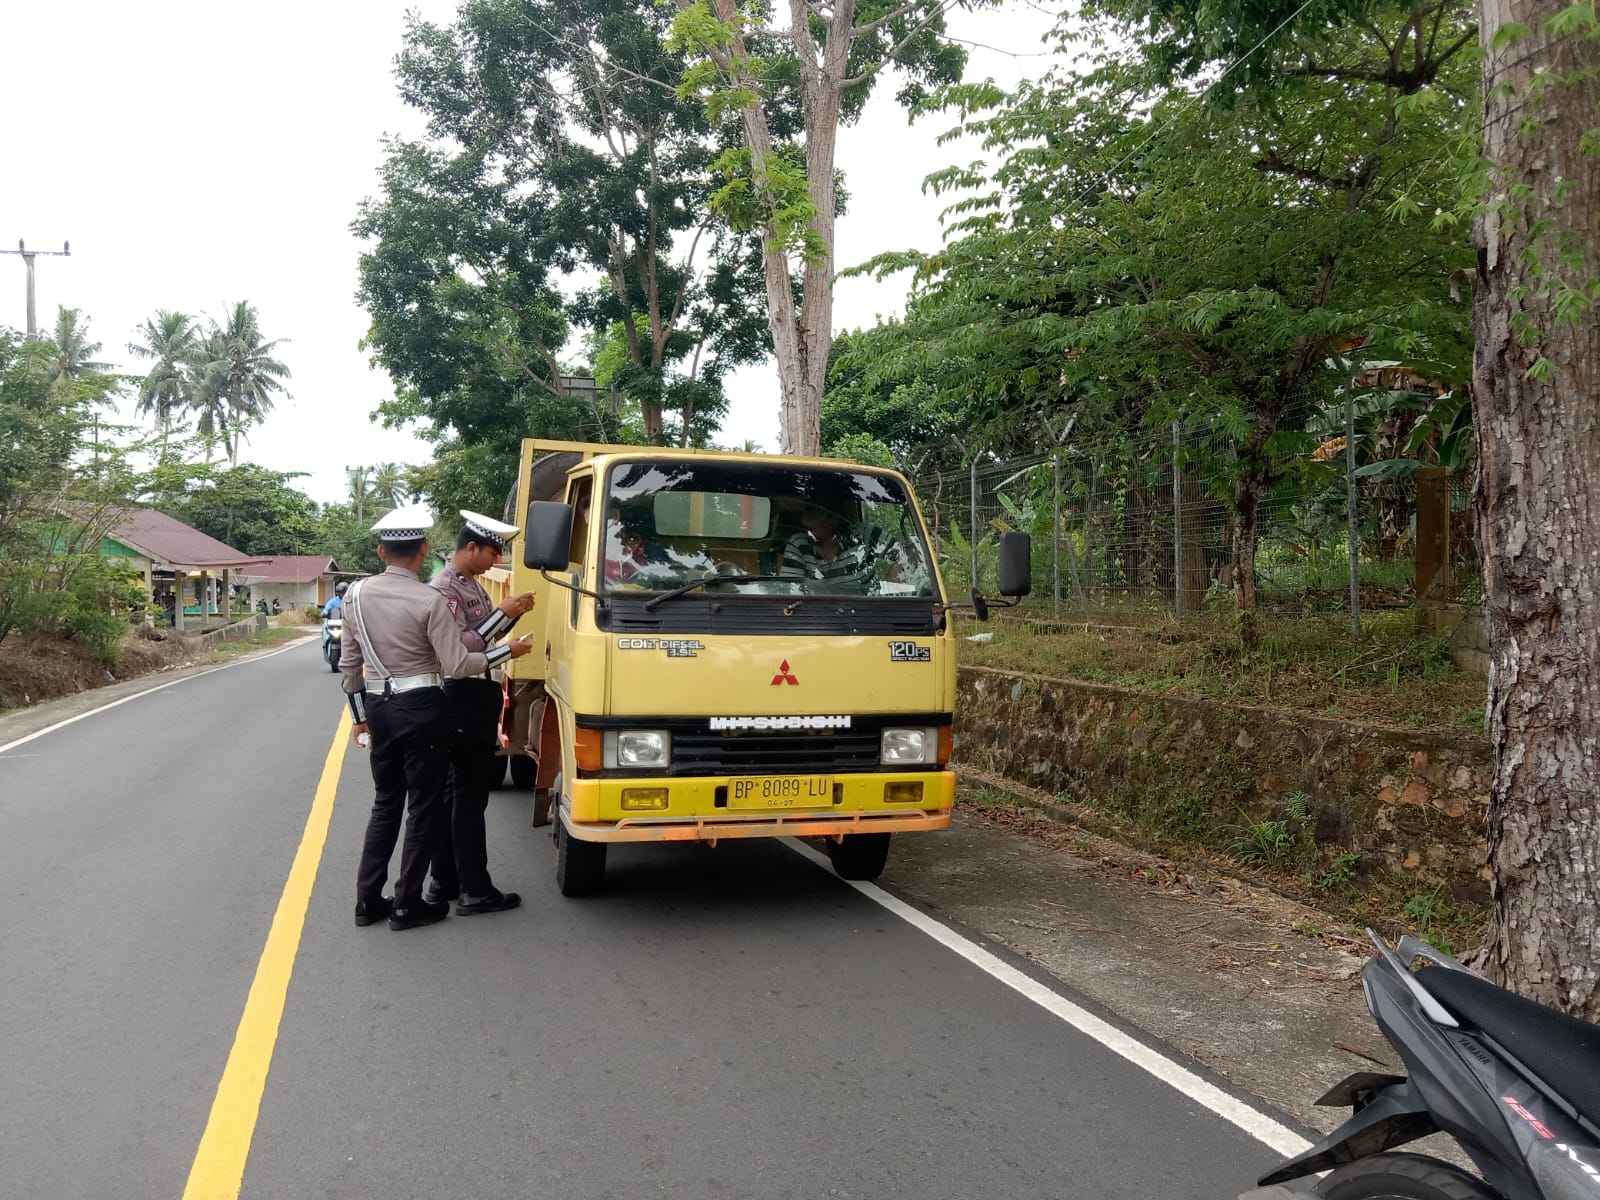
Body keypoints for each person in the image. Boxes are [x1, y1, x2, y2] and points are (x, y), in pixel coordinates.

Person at [341, 504, 535, 931]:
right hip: (423, 709)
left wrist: (359, 719)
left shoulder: (354, 595)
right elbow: (458, 663)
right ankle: (407, 903)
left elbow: (349, 666)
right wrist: (507, 649)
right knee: (424, 809)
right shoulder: (431, 598)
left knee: (385, 804)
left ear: (380, 551)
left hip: (378, 707)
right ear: (424, 549)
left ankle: (367, 900)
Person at [423, 510, 537, 915]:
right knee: (467, 796)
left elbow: (484, 632)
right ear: (471, 547)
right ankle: (474, 888)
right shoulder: (445, 590)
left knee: (458, 794)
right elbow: (462, 647)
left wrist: (512, 613)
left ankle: (445, 881)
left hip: (475, 694)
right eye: (492, 552)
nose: (495, 560)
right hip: (464, 694)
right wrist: (504, 615)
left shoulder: (469, 584)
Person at [779, 504, 897, 592]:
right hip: (816, 617)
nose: (804, 520)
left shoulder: (865, 535)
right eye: (806, 512)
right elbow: (789, 589)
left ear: (834, 518)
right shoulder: (798, 543)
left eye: (813, 514)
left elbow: (910, 554)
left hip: (866, 616)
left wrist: (889, 584)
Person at [321, 581, 349, 656]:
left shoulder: (350, 600)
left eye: (343, 592)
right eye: (340, 592)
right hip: (335, 623)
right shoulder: (333, 601)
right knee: (324, 627)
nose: (342, 594)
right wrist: (324, 613)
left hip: (347, 623)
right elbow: (327, 608)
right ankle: (325, 644)